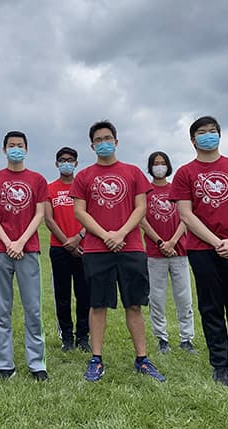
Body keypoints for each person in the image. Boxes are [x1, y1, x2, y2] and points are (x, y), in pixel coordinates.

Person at [170, 116, 228, 386]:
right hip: (202, 250)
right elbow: (185, 214)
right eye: (201, 132)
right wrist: (215, 241)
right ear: (192, 140)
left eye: (213, 131)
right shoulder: (186, 173)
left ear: (220, 135)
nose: (208, 136)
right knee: (211, 308)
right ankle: (220, 366)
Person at [71, 120, 165, 382]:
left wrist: (121, 233)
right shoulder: (84, 176)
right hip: (96, 249)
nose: (104, 143)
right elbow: (80, 211)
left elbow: (141, 208)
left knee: (134, 304)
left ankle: (142, 359)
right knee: (97, 304)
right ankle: (96, 359)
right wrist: (105, 235)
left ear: (116, 141)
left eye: (108, 138)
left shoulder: (133, 172)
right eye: (98, 140)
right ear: (92, 145)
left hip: (131, 247)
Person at [0, 131, 49, 381]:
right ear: (4, 150)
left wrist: (20, 241)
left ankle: (36, 363)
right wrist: (8, 241)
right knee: (0, 309)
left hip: (28, 249)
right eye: (11, 145)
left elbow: (40, 214)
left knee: (33, 309)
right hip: (0, 250)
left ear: (27, 150)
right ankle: (4, 363)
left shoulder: (37, 180)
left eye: (20, 145)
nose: (15, 149)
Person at [140, 151, 195, 355]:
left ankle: (186, 338)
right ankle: (162, 338)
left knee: (184, 297)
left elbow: (185, 216)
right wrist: (161, 242)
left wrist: (172, 241)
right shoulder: (146, 192)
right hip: (156, 253)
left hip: (179, 251)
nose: (159, 166)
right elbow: (142, 219)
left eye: (163, 163)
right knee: (156, 297)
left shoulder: (176, 189)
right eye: (156, 163)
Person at [44, 147, 90, 353]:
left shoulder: (83, 187)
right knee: (62, 295)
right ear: (56, 164)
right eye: (62, 160)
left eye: (70, 160)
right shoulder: (49, 188)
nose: (66, 163)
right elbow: (48, 219)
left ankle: (83, 337)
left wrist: (78, 238)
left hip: (84, 247)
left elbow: (90, 217)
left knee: (84, 294)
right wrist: (67, 242)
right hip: (60, 248)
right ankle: (67, 337)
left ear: (76, 163)